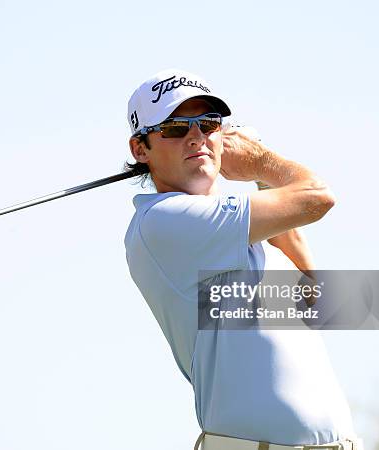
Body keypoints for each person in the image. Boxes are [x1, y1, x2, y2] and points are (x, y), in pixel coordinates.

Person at [123, 69, 364, 450]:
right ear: (140, 149)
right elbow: (318, 197)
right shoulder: (163, 222)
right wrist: (259, 161)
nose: (196, 137)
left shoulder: (237, 232)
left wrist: (257, 173)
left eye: (208, 124)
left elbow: (311, 290)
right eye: (175, 128)